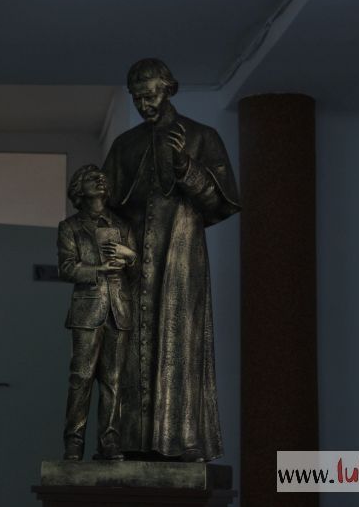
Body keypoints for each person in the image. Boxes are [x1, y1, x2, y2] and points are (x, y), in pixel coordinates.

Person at [102, 58, 241, 462]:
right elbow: (105, 207)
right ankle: (127, 439)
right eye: (137, 98)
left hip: (180, 257)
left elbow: (220, 203)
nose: (145, 104)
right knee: (127, 345)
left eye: (151, 95)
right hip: (132, 261)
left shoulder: (201, 137)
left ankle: (180, 439)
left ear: (169, 89)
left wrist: (185, 166)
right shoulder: (124, 145)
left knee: (180, 340)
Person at [57, 164, 138, 461]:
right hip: (87, 309)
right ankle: (74, 442)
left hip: (119, 309)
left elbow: (138, 271)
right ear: (79, 189)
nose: (100, 180)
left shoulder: (122, 225)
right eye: (92, 178)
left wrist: (131, 257)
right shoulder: (70, 227)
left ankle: (109, 442)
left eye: (102, 177)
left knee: (114, 380)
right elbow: (66, 268)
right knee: (81, 378)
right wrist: (98, 269)